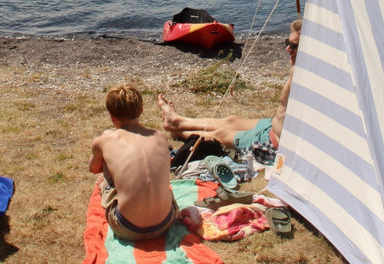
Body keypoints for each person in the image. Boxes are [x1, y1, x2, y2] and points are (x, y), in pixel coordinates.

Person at [159, 19, 301, 159]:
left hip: (274, 143)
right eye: (287, 43)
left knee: (222, 134)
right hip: (271, 125)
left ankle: (180, 133)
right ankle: (177, 121)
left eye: (293, 46)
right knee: (232, 121)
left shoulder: (301, 75)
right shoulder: (299, 70)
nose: (287, 48)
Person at [89, 84, 178, 242]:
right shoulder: (161, 138)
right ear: (141, 110)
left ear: (112, 116)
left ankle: (106, 187)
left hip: (126, 227)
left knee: (107, 173)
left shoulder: (103, 141)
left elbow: (94, 168)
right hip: (165, 223)